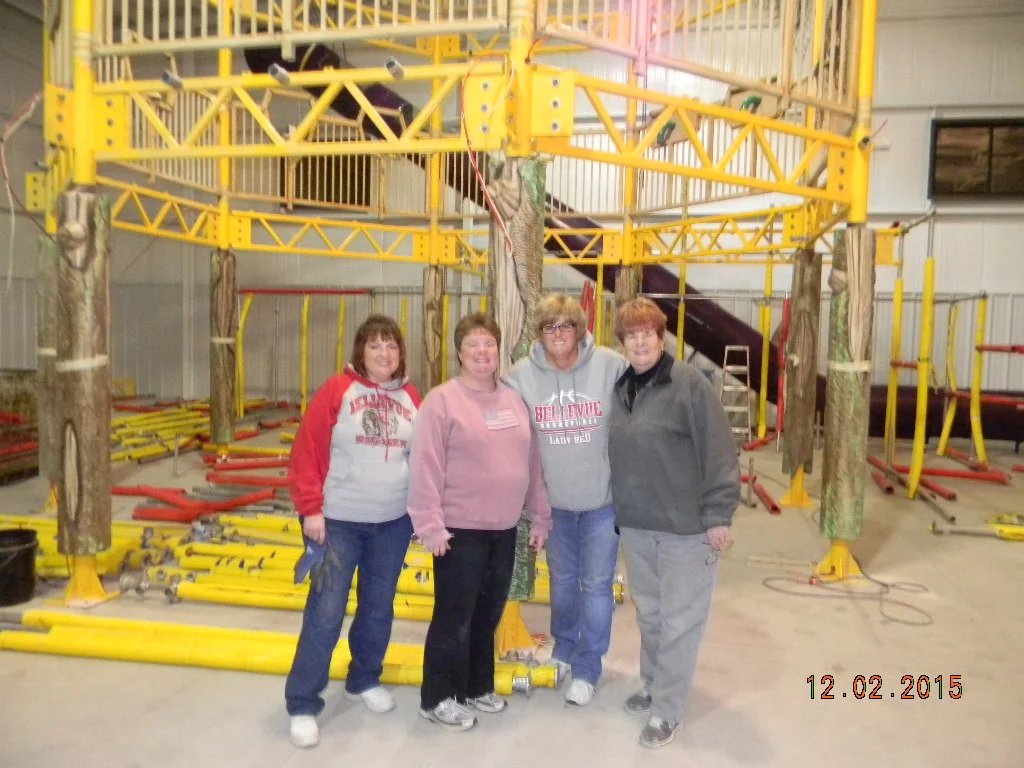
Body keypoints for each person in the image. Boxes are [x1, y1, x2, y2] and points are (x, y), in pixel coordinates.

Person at [407, 312, 552, 732]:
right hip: (458, 530)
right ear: (459, 352)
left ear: (498, 351)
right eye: (473, 345)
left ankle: (474, 687)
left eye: (489, 344)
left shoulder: (512, 400)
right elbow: (425, 467)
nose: (482, 352)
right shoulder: (442, 401)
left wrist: (540, 516)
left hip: (504, 528)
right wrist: (430, 525)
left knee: (488, 612)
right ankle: (437, 698)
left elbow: (531, 463)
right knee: (454, 616)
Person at [607, 297, 741, 749]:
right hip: (640, 526)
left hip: (687, 529)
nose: (640, 341)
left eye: (648, 333)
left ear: (661, 337)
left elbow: (719, 450)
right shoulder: (622, 386)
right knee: (652, 616)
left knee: (681, 621)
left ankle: (667, 711)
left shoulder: (687, 384)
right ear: (622, 342)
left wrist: (719, 515)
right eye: (631, 334)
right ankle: (653, 685)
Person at [284, 314, 422, 749]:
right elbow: (306, 451)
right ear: (360, 352)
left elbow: (420, 458)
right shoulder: (336, 391)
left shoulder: (412, 396)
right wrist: (311, 510)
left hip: (392, 524)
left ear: (401, 353)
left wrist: (419, 512)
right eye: (375, 346)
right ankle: (304, 702)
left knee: (378, 607)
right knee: (325, 611)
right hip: (337, 521)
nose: (384, 353)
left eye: (392, 346)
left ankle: (363, 679)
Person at [503, 293, 626, 706]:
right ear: (539, 333)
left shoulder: (610, 365)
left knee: (595, 587)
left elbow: (642, 406)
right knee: (561, 585)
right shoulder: (520, 376)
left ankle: (589, 667)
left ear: (580, 329)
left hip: (601, 503)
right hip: (551, 506)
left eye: (566, 326)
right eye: (549, 327)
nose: (558, 334)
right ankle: (565, 649)